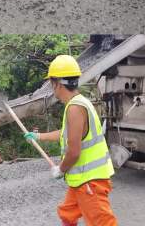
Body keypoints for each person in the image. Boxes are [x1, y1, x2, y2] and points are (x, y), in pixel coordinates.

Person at [23, 55, 117, 226]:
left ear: (57, 83)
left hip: (90, 181)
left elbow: (74, 152)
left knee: (102, 223)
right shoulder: (79, 103)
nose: (52, 88)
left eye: (52, 83)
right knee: (67, 214)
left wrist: (61, 169)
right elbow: (66, 133)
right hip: (81, 179)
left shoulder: (75, 108)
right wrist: (38, 136)